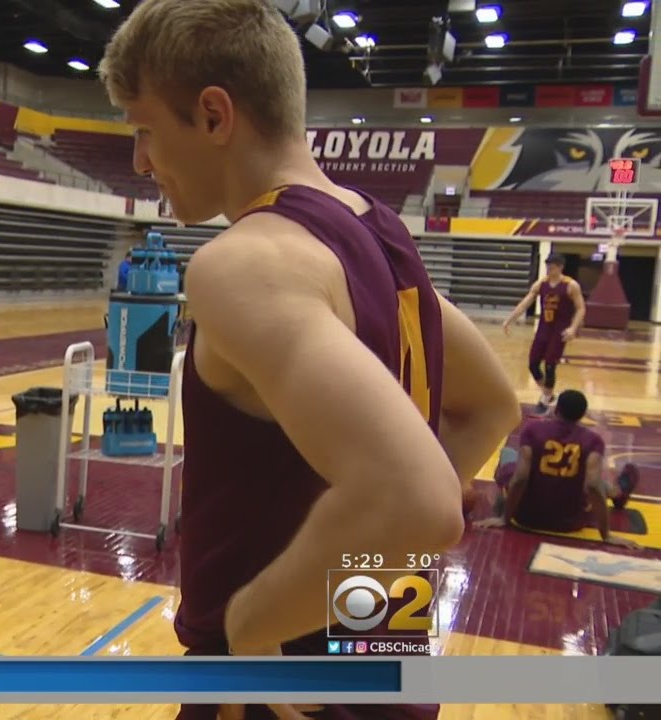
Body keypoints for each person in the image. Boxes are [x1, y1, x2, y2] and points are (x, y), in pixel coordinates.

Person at [97, 1, 521, 719]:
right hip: (384, 653)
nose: (140, 161)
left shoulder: (246, 262)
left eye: (144, 130)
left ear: (212, 115)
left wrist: (254, 622)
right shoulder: (380, 237)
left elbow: (415, 501)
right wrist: (372, 568)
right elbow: (491, 406)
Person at [476, 390, 640, 549]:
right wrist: (606, 535)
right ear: (583, 415)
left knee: (508, 453)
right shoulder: (593, 440)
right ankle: (617, 492)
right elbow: (592, 486)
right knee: (586, 478)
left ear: (556, 409)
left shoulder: (533, 430)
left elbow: (521, 478)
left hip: (526, 517)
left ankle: (502, 493)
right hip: (571, 522)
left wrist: (505, 518)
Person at [502, 254, 586, 414]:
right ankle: (549, 394)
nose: (549, 270)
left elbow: (581, 308)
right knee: (533, 364)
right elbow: (526, 302)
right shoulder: (541, 283)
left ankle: (545, 399)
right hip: (543, 328)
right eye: (547, 267)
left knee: (549, 365)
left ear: (560, 267)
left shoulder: (571, 285)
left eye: (552, 267)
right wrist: (509, 319)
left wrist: (573, 328)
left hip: (559, 331)